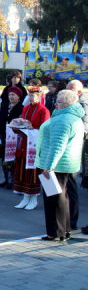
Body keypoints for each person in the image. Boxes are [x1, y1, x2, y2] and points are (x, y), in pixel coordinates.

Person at [35, 90, 84, 242]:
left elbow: (57, 145)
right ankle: (65, 229)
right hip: (67, 163)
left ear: (68, 104)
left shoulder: (62, 119)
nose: (55, 103)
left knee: (54, 199)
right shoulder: (73, 117)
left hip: (56, 165)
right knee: (63, 198)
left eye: (59, 101)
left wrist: (49, 166)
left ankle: (55, 232)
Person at [11, 86, 51, 210]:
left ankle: (33, 198)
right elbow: (23, 124)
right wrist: (17, 126)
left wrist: (31, 129)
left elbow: (44, 130)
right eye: (29, 95)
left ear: (39, 96)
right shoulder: (26, 108)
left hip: (34, 146)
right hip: (23, 145)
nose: (30, 97)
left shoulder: (43, 110)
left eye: (33, 95)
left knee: (32, 172)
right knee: (22, 171)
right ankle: (25, 197)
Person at [66, 80, 88, 232]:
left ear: (78, 92)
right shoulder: (70, 106)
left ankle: (72, 220)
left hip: (76, 151)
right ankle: (66, 220)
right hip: (70, 150)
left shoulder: (82, 107)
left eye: (70, 90)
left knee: (71, 186)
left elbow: (83, 130)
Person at [0, 86, 24, 189]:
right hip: (4, 135)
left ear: (18, 97)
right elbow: (0, 121)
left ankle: (13, 180)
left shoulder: (20, 108)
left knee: (13, 158)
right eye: (10, 95)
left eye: (14, 95)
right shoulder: (4, 106)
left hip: (14, 137)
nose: (11, 97)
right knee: (4, 158)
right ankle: (6, 179)